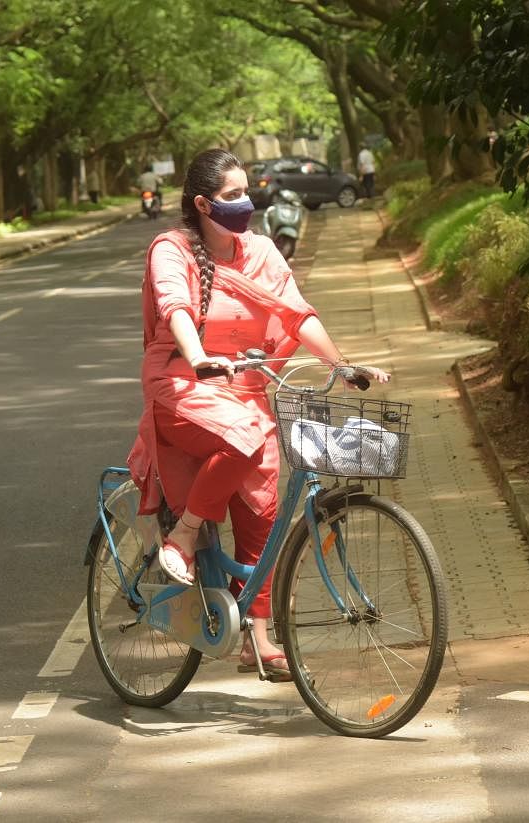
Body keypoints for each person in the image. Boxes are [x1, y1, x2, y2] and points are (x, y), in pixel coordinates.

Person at [126, 148, 388, 680]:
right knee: (245, 439)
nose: (244, 203)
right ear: (202, 204)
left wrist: (341, 363)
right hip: (181, 384)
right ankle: (183, 535)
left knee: (264, 511)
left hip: (244, 390)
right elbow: (175, 306)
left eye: (246, 192)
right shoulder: (171, 249)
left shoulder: (263, 251)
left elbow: (296, 312)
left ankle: (258, 640)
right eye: (230, 196)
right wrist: (198, 357)